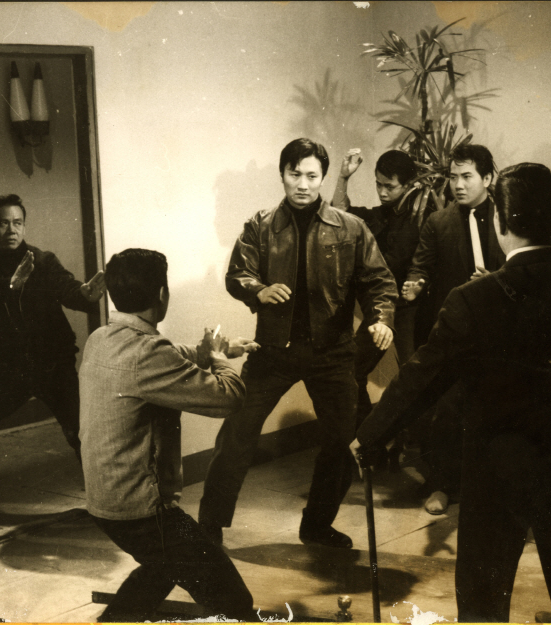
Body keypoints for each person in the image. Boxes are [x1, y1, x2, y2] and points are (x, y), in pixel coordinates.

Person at [351, 103, 551, 623]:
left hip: (495, 465)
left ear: (504, 225)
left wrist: (370, 435)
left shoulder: (473, 300)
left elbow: (422, 376)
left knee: (484, 602)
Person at [198, 138, 397, 548]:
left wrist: (381, 319)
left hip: (333, 353)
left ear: (323, 178)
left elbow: (378, 282)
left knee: (342, 441)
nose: (302, 184)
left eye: (311, 175)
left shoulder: (351, 227)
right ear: (282, 174)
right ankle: (209, 527)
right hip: (273, 352)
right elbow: (237, 273)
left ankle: (317, 525)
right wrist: (258, 289)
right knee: (237, 433)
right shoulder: (260, 225)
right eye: (295, 174)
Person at [79, 248, 260, 623]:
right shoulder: (147, 353)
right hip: (143, 513)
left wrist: (209, 351)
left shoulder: (100, 338)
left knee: (161, 569)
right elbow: (229, 397)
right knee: (233, 600)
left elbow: (165, 357)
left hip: (105, 503)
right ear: (162, 294)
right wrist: (220, 360)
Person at [0, 194, 105, 506]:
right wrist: (10, 285)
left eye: (18, 223)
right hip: (12, 368)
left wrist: (86, 295)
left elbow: (67, 289)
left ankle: (107, 496)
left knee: (81, 431)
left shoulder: (42, 260)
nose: (12, 230)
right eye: (3, 223)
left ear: (24, 226)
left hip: (54, 364)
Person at [400, 143, 507, 514]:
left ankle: (493, 487)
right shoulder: (438, 221)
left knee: (496, 411)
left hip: (500, 333)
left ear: (488, 178)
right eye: (453, 177)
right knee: (446, 411)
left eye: (467, 177)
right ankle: (442, 484)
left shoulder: (507, 217)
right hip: (453, 332)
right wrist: (415, 283)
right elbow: (421, 265)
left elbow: (524, 267)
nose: (458, 185)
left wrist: (496, 280)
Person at [332, 148, 422, 420]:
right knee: (351, 368)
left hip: (409, 309)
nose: (382, 192)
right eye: (378, 184)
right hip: (383, 306)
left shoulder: (421, 215)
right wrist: (343, 177)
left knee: (414, 376)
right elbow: (339, 213)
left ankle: (412, 438)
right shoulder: (383, 214)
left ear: (409, 185)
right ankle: (365, 435)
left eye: (389, 187)